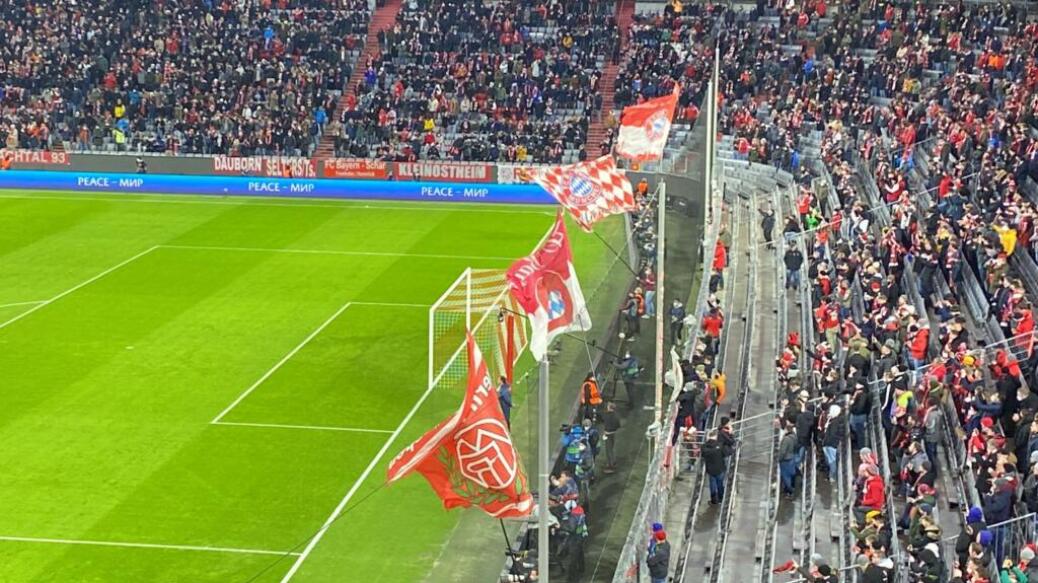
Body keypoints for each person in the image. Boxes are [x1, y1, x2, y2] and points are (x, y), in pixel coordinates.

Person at [601, 402, 621, 472]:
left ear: (609, 408)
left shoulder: (607, 416)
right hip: (613, 433)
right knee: (611, 448)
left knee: (608, 450)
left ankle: (611, 466)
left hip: (608, 434)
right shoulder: (616, 416)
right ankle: (613, 461)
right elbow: (618, 425)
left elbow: (603, 420)